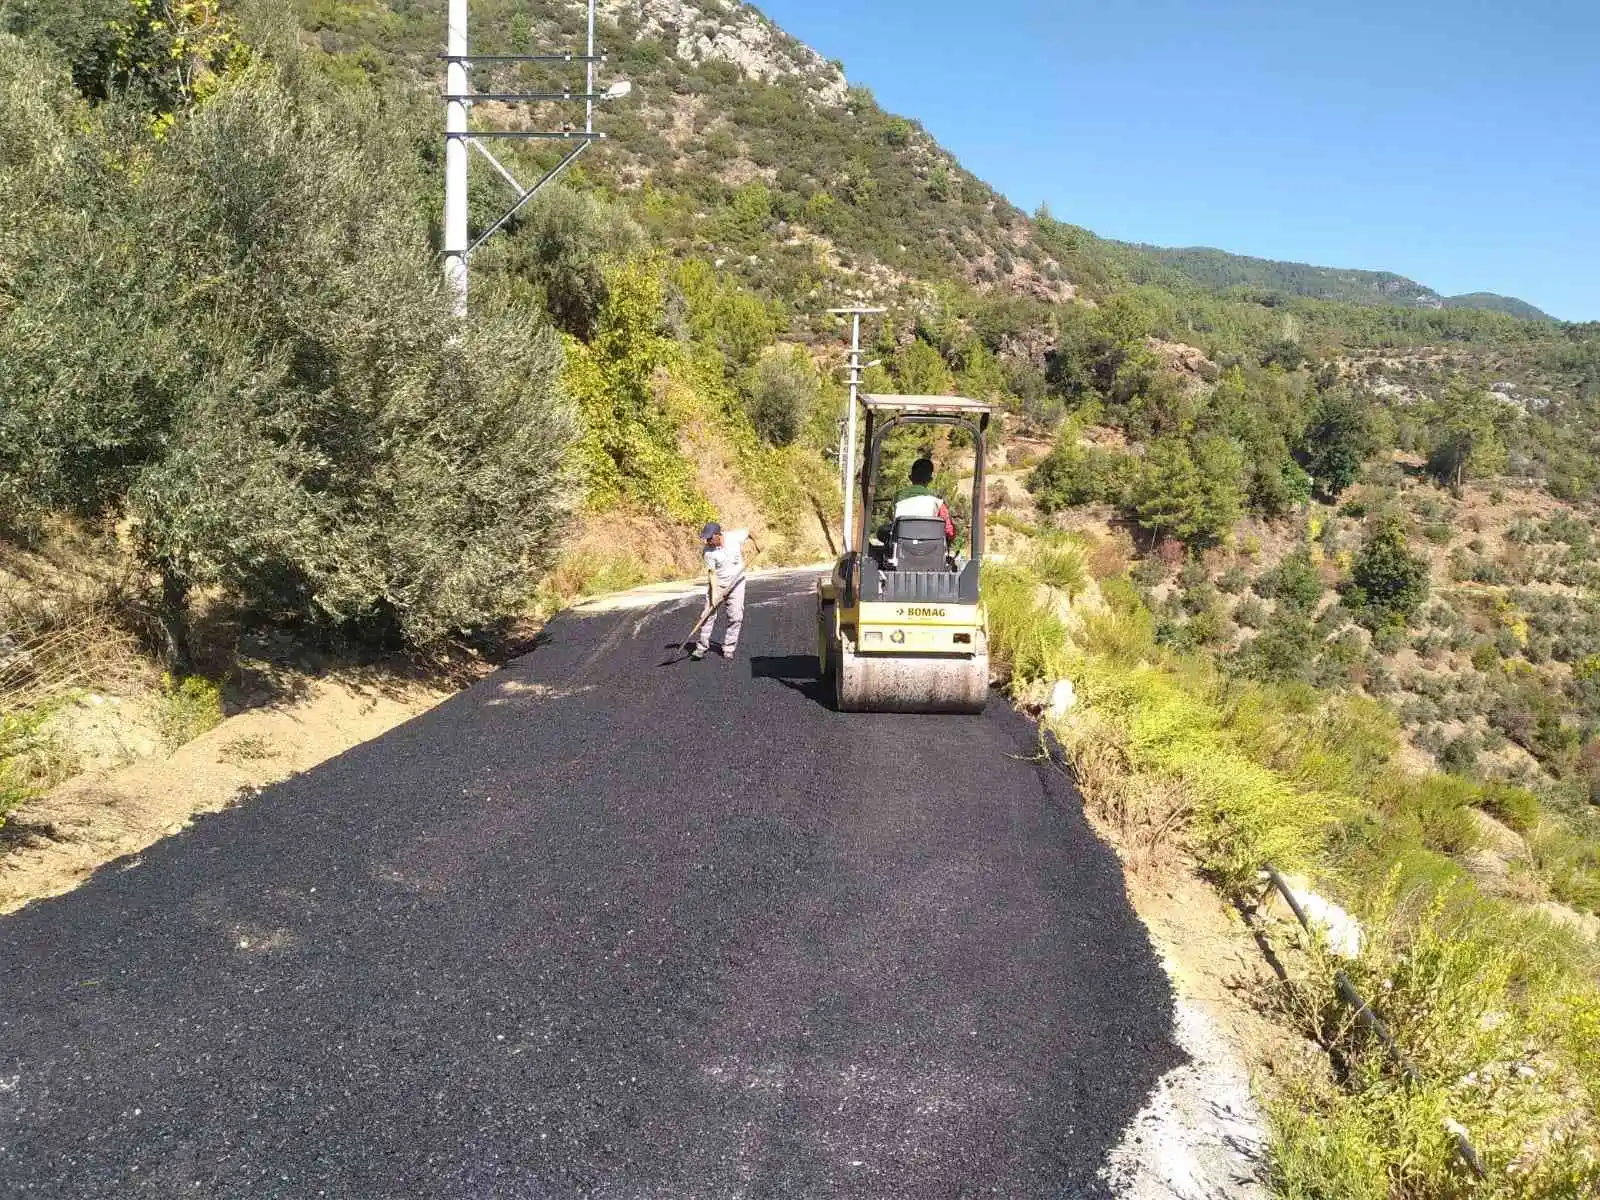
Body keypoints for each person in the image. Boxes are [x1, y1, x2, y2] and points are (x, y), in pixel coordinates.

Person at [694, 521, 758, 660]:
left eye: (710, 538)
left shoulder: (733, 537)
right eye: (706, 538)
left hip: (737, 583)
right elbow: (712, 574)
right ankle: (702, 646)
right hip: (718, 584)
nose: (708, 541)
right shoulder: (708, 552)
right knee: (708, 614)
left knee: (736, 616)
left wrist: (758, 544)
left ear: (718, 535)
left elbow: (749, 531)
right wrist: (715, 594)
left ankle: (729, 648)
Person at [893, 458, 956, 542]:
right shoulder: (937, 501)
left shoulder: (898, 496)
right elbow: (949, 531)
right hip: (930, 547)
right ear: (930, 480)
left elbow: (892, 517)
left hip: (901, 544)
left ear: (910, 477)